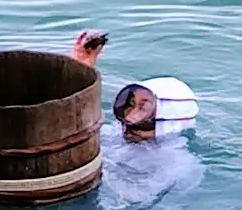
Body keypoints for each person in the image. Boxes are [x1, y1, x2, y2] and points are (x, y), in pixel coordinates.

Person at [71, 31, 199, 143]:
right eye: (130, 104)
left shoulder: (174, 165)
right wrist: (80, 70)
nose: (130, 115)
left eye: (143, 108)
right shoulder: (114, 135)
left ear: (168, 120)